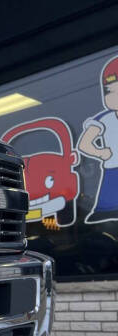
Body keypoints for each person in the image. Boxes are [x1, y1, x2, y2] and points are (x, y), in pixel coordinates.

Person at [78, 55, 118, 223]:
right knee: (107, 214)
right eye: (109, 91)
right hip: (113, 172)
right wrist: (101, 153)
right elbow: (84, 143)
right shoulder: (104, 119)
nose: (112, 95)